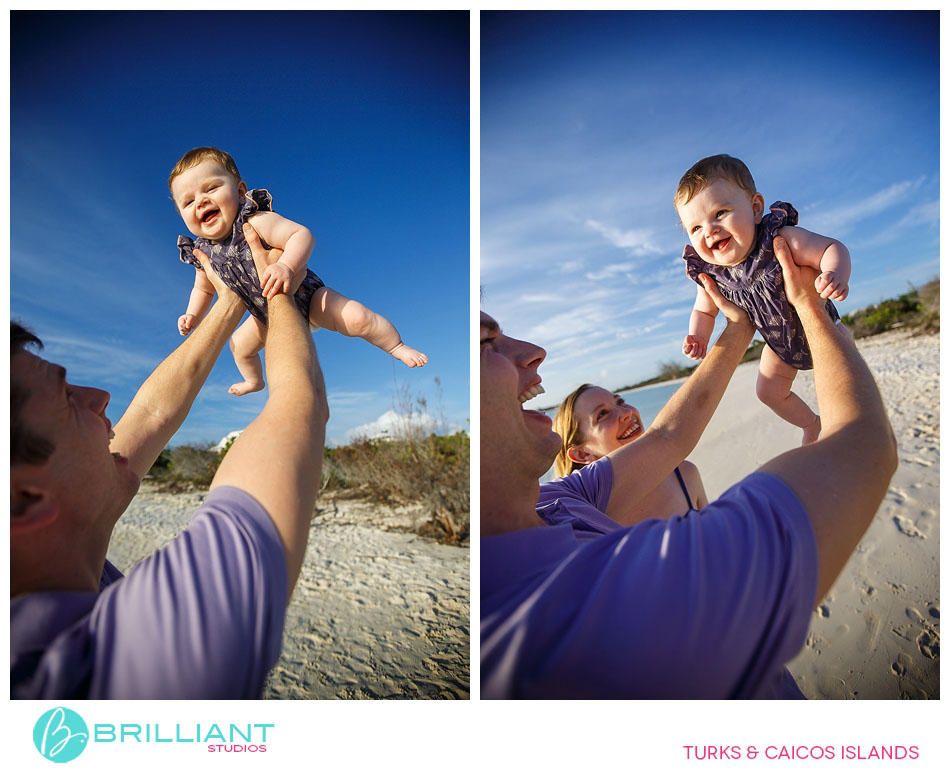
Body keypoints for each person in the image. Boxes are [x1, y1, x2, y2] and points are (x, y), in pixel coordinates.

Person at [481, 236, 897, 698]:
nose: (534, 350)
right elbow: (862, 446)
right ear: (579, 452)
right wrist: (810, 310)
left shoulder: (560, 501)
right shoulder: (552, 623)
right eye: (486, 343)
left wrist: (738, 326)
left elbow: (667, 436)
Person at [11, 223, 328, 699]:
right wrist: (274, 286)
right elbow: (300, 403)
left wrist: (230, 300)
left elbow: (152, 413)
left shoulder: (38, 563)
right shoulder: (99, 670)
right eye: (67, 398)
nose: (100, 397)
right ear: (24, 500)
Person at [171, 146, 427, 395]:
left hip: (307, 295)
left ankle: (396, 346)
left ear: (240, 192)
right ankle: (254, 381)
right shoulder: (203, 253)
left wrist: (286, 265)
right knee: (238, 346)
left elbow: (300, 235)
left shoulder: (253, 221)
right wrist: (192, 314)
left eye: (211, 188)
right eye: (189, 201)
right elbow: (203, 289)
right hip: (266, 314)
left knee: (358, 317)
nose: (201, 201)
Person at [676, 154, 851, 445]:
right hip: (780, 346)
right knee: (768, 392)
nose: (709, 230)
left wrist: (835, 273)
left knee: (843, 389)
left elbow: (831, 248)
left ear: (756, 208)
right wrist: (698, 336)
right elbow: (704, 311)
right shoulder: (713, 275)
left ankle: (846, 430)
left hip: (825, 330)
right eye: (695, 228)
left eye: (720, 213)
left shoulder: (779, 240)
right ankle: (811, 424)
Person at [543, 385, 707, 532]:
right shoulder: (588, 518)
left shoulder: (684, 474)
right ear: (583, 454)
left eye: (620, 402)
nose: (627, 413)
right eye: (603, 414)